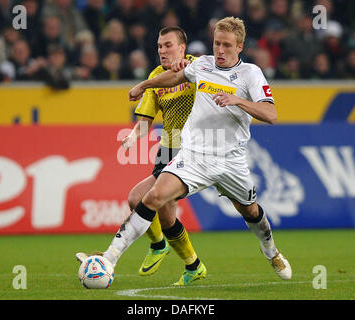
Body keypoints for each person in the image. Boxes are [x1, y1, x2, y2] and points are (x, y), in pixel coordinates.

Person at [81, 16, 292, 287]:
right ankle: (110, 257)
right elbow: (175, 77)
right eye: (217, 43)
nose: (220, 50)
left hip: (231, 161)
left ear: (240, 46)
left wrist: (237, 100)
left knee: (250, 211)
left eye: (227, 45)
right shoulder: (202, 64)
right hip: (194, 156)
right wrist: (145, 85)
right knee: (153, 196)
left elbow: (271, 114)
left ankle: (271, 251)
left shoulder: (251, 74)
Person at [77, 26, 206, 286]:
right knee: (167, 216)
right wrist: (133, 137)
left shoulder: (198, 67)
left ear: (182, 47)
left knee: (138, 197)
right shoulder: (157, 76)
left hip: (192, 150)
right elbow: (145, 120)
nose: (162, 50)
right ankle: (192, 265)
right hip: (168, 148)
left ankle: (158, 247)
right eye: (159, 46)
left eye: (168, 45)